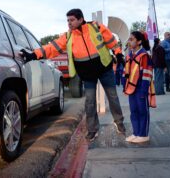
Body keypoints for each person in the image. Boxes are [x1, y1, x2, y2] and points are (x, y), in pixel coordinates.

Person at [20, 8, 125, 141]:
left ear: (81, 19)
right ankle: (92, 130)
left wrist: (118, 53)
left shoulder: (96, 27)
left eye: (72, 20)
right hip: (88, 75)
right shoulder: (68, 36)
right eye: (68, 20)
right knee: (90, 102)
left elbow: (111, 41)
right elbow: (51, 47)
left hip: (105, 69)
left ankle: (119, 123)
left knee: (113, 97)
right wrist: (34, 54)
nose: (69, 23)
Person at [123, 31, 153, 143]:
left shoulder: (144, 55)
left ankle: (143, 134)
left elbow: (147, 74)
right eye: (129, 39)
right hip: (131, 89)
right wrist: (125, 87)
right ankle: (136, 133)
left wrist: (144, 90)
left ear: (139, 41)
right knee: (133, 111)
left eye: (132, 39)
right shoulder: (129, 55)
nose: (129, 41)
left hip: (141, 88)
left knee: (142, 111)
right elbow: (126, 73)